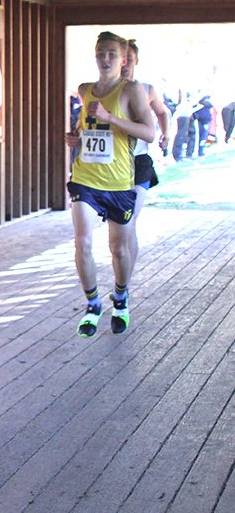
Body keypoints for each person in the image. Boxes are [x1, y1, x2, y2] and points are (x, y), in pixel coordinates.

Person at [64, 31, 154, 339]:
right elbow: (86, 128)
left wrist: (110, 117)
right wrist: (76, 137)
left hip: (119, 182)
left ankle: (121, 297)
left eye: (111, 54)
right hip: (85, 178)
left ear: (123, 59)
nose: (105, 59)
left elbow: (149, 132)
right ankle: (92, 304)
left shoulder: (132, 90)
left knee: (118, 248)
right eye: (100, 53)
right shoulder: (85, 89)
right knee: (83, 242)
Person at [121, 39, 170, 265]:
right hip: (112, 165)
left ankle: (125, 282)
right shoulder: (102, 90)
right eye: (120, 58)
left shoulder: (147, 89)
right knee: (120, 226)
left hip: (139, 162)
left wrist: (165, 134)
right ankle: (123, 273)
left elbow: (162, 112)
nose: (124, 63)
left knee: (129, 220)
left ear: (136, 61)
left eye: (128, 59)